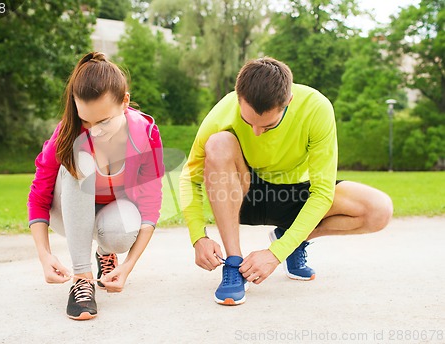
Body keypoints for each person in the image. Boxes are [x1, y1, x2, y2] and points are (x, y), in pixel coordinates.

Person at [179, 57, 393, 306]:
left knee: (379, 210)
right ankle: (235, 264)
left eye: (268, 125)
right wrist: (198, 237)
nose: (257, 132)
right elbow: (189, 178)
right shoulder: (222, 111)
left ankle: (293, 239)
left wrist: (276, 253)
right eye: (249, 123)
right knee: (218, 143)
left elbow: (322, 192)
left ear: (288, 101)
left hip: (296, 195)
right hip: (245, 194)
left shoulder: (316, 108)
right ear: (238, 98)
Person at [27, 52, 164, 320]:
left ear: (125, 101)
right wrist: (44, 255)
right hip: (67, 213)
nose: (92, 131)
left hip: (106, 217)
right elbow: (39, 196)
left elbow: (150, 207)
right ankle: (82, 278)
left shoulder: (145, 134)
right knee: (81, 158)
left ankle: (105, 253)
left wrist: (128, 266)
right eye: (85, 120)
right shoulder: (68, 132)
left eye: (103, 121)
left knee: (123, 231)